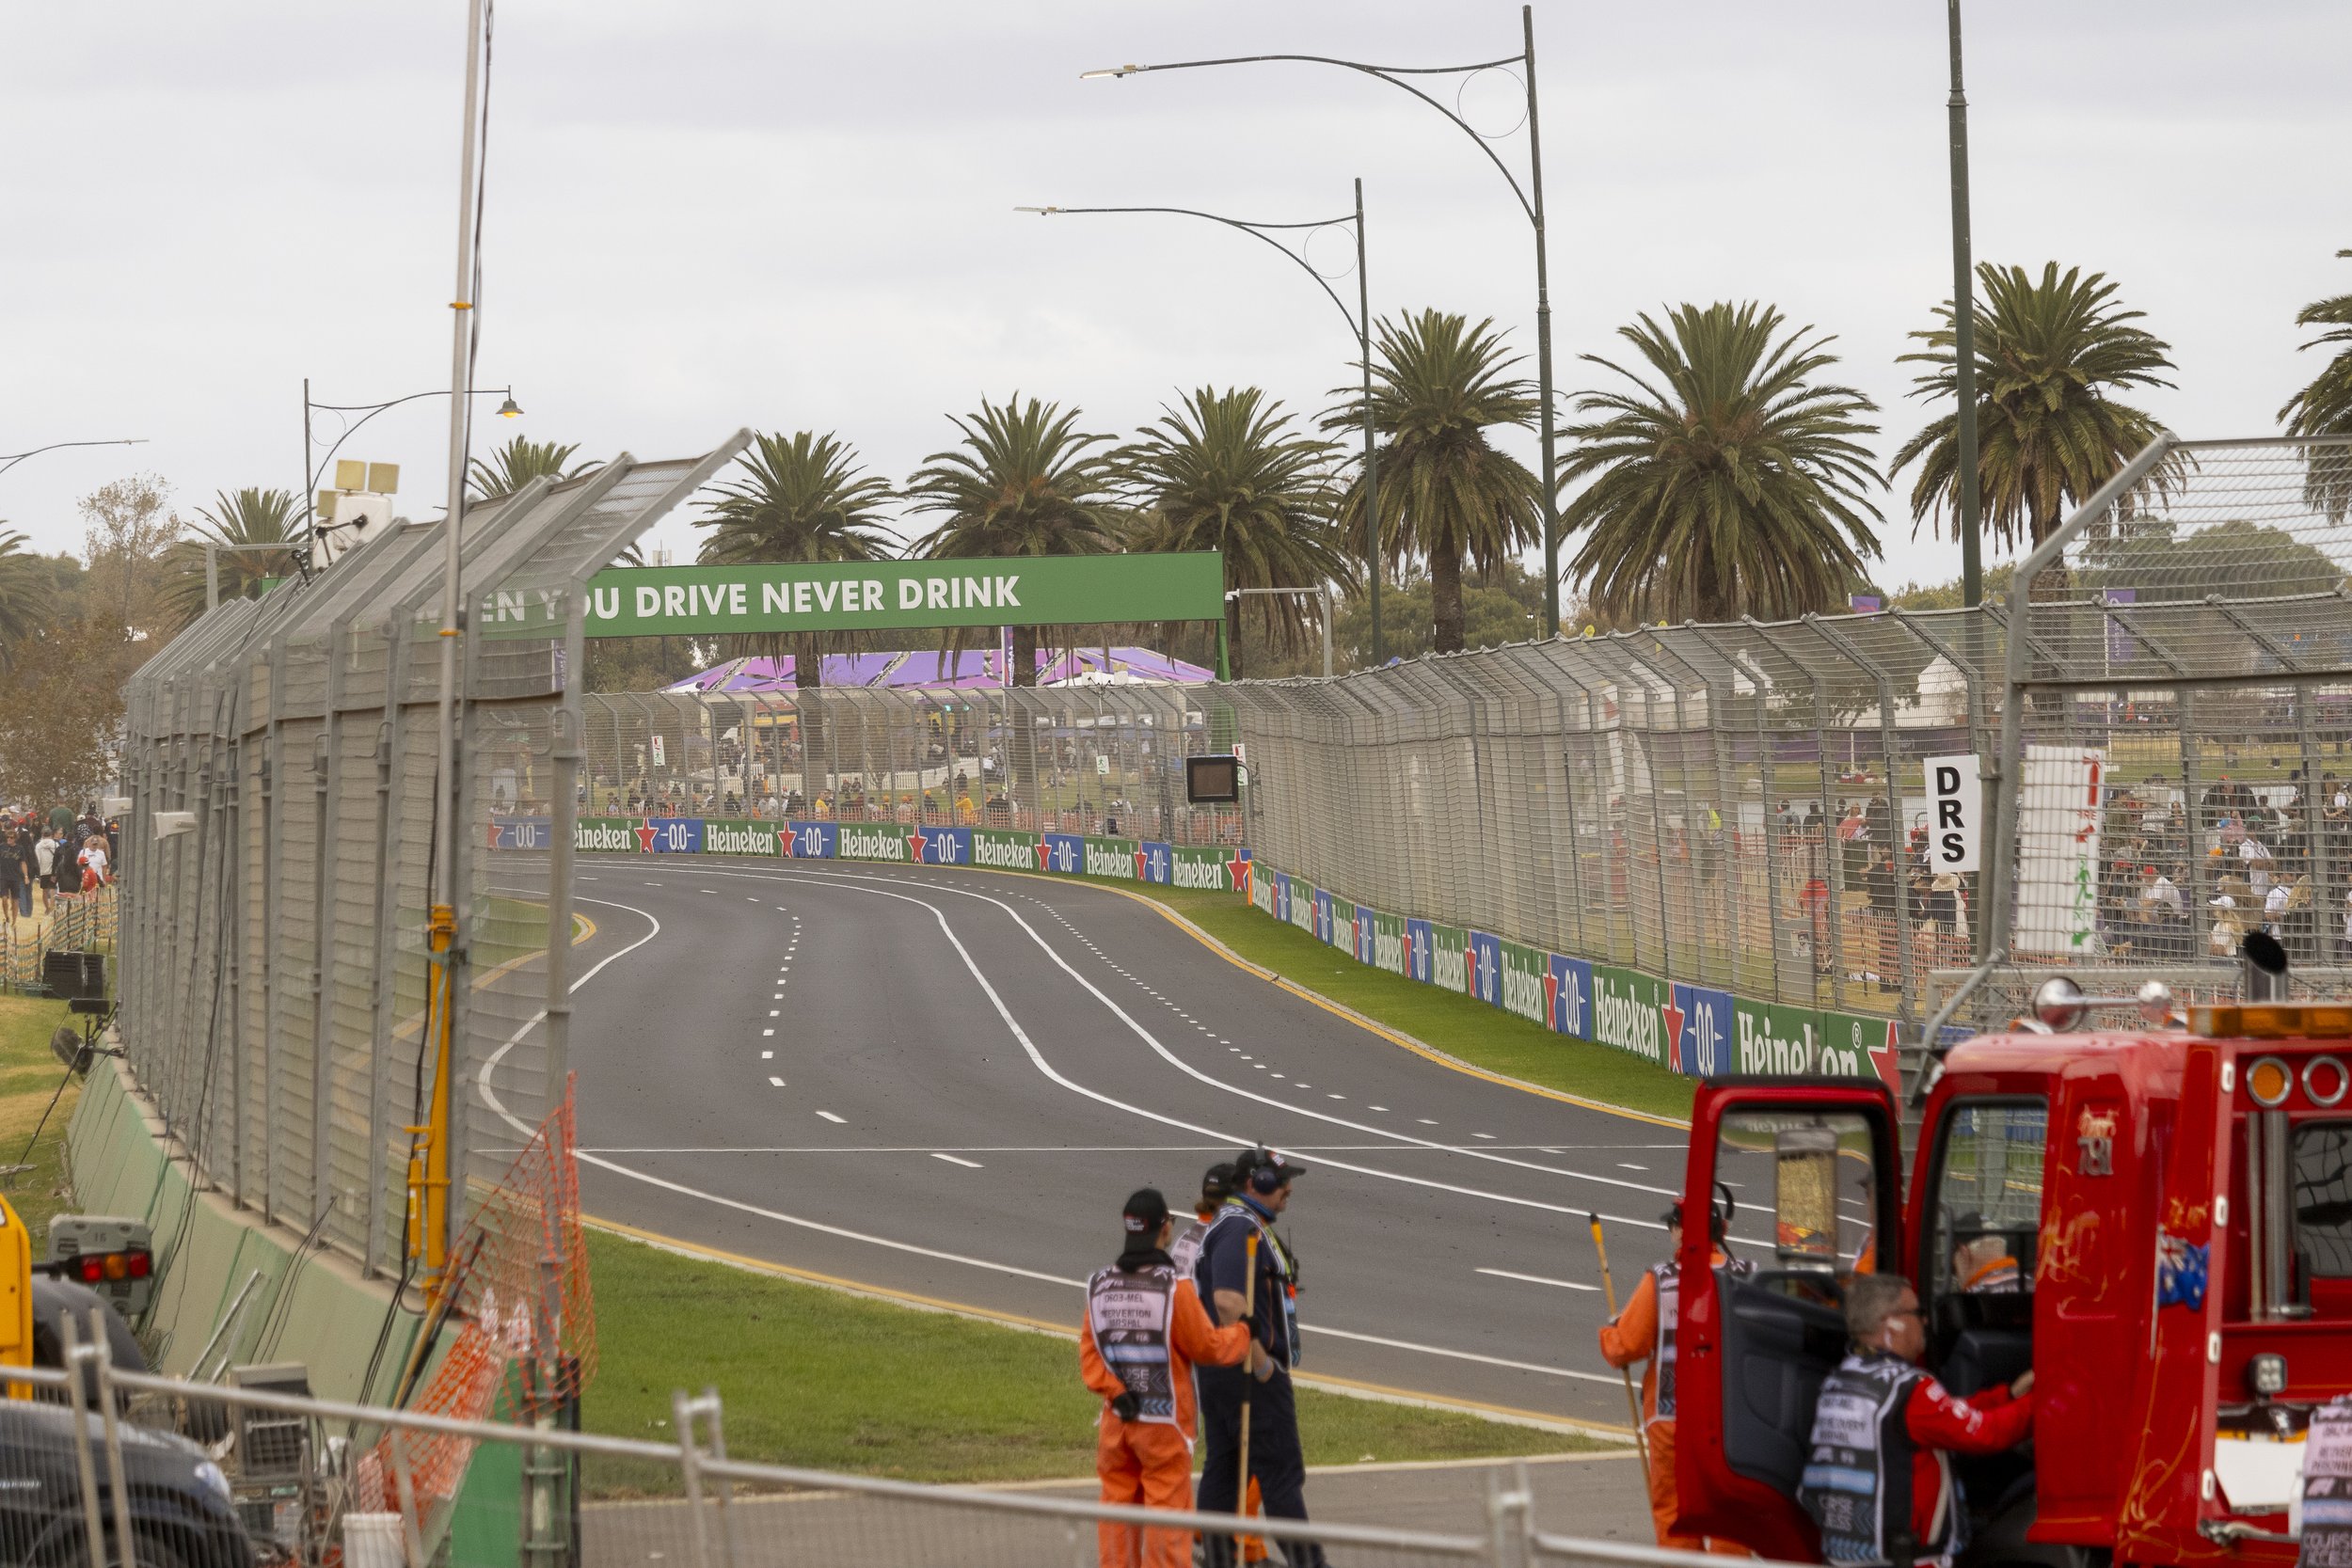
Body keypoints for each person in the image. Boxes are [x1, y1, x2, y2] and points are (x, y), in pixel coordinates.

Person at [1799, 1274, 2035, 1568]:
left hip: (1847, 1554)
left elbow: (1942, 1417)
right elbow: (1985, 1433)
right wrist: (2042, 1400)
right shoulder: (1910, 1388)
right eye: (1917, 1313)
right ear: (1891, 1322)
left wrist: (2009, 1395)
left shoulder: (1842, 1379)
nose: (1924, 1321)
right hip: (1909, 1560)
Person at [1080, 1188, 1254, 1568]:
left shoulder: (1099, 1285)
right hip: (1164, 1425)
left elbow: (1090, 1357)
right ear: (1166, 1229)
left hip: (1116, 1420)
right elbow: (1207, 1347)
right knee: (1166, 1513)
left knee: (1117, 1507)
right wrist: (1243, 1333)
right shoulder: (1174, 1288)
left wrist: (1115, 1391)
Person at [1597, 1196, 1752, 1556]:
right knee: (1730, 1512)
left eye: (1673, 1225)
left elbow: (1626, 1346)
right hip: (1733, 1417)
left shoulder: (1662, 1280)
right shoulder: (1747, 1276)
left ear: (1682, 1231)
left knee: (1676, 1513)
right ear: (1722, 1230)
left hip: (1671, 1418)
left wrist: (1611, 1333)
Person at [1193, 1148, 1318, 1568]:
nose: (1289, 1189)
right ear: (1256, 1183)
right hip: (1246, 1370)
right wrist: (1263, 1365)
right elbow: (1229, 1301)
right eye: (1282, 1181)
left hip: (1223, 1368)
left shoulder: (1239, 1224)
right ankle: (1310, 1564)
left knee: (1226, 1469)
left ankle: (1217, 1560)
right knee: (1281, 1472)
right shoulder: (1237, 1229)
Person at [1948, 1215, 2021, 1293]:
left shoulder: (1973, 1297)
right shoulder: (2031, 1282)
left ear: (1964, 1252)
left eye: (1955, 1270)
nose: (1958, 1279)